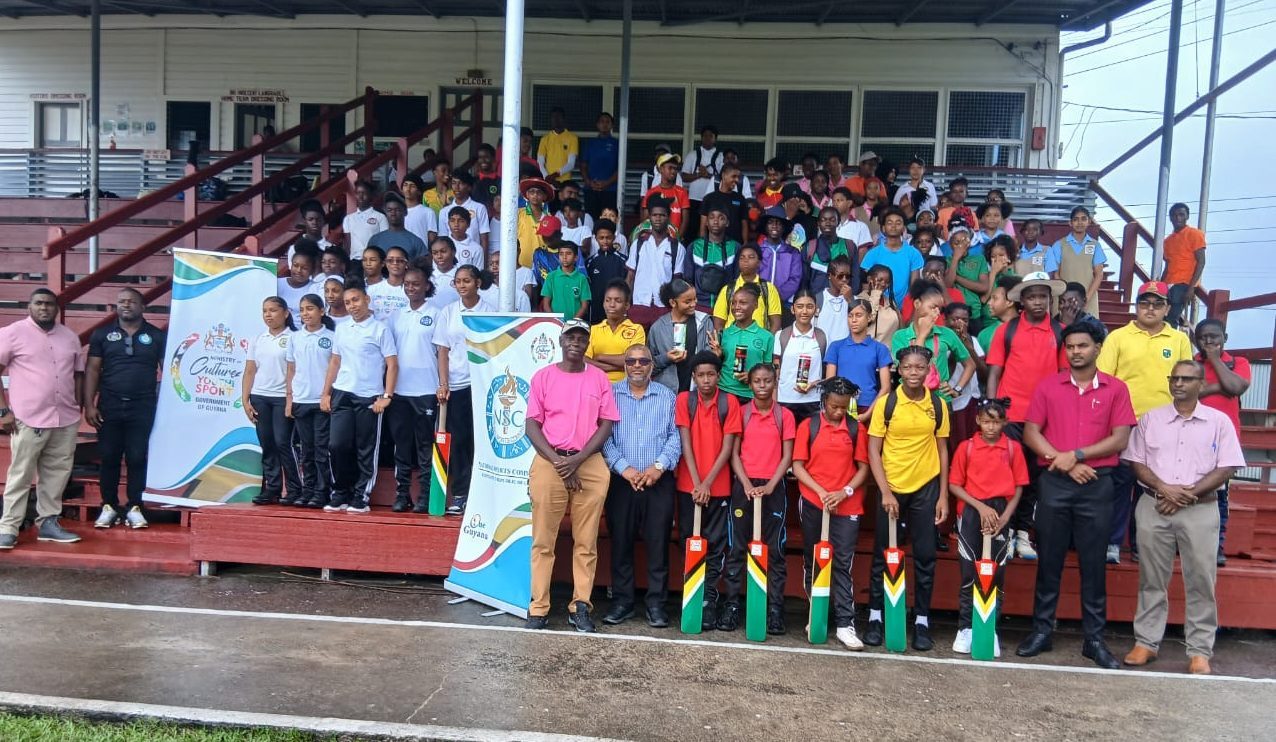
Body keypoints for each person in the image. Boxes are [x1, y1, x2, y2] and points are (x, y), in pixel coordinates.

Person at [1015, 322, 1135, 669]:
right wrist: (1064, 462)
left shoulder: (1115, 389)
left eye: (1083, 346)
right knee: (1049, 559)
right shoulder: (1049, 386)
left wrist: (1078, 456)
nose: (1075, 352)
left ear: (1098, 348)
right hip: (1055, 480)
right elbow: (1031, 433)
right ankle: (1042, 631)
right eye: (1070, 347)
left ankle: (1094, 640)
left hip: (1098, 481)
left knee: (1093, 563)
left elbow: (1120, 439)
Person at [1121, 360, 1243, 675]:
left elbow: (1227, 466)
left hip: (1200, 509)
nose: (1179, 383)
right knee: (1151, 578)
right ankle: (1146, 642)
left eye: (1187, 379)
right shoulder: (1152, 419)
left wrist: (1185, 494)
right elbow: (1137, 462)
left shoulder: (1219, 422)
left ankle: (1200, 651)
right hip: (1154, 504)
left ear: (1201, 384)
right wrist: (1165, 488)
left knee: (1202, 580)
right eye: (1174, 378)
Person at [525, 318, 620, 631]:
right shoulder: (543, 377)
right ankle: (538, 607)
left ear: (586, 343)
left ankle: (580, 605)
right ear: (561, 342)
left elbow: (606, 423)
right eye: (571, 337)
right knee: (543, 539)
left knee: (586, 540)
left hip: (588, 462)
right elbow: (531, 426)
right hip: (549, 460)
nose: (576, 342)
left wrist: (577, 460)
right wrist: (559, 462)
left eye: (582, 338)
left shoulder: (599, 379)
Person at [1098, 281, 1194, 564]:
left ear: (1167, 308)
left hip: (1164, 425)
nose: (1150, 309)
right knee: (1119, 484)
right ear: (1137, 306)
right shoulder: (1118, 337)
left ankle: (1144, 544)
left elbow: (1186, 381)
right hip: (1124, 423)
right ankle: (1113, 543)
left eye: (1157, 304)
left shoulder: (1178, 340)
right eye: (1144, 303)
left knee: (1153, 487)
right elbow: (1105, 379)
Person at [863, 345, 951, 651]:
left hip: (926, 488)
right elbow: (873, 449)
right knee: (884, 556)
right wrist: (885, 491)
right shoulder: (887, 403)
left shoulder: (937, 405)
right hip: (892, 488)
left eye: (920, 367)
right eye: (908, 367)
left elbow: (942, 450)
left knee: (925, 556)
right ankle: (876, 617)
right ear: (898, 370)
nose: (914, 373)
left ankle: (922, 620)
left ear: (929, 370)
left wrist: (943, 496)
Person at [985, 271, 1068, 560]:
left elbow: (1063, 377)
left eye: (1042, 296)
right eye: (1031, 296)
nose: (1037, 302)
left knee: (1034, 478)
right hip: (1010, 417)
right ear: (1021, 300)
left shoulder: (1059, 332)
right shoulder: (1006, 331)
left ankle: (1022, 535)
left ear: (1049, 299)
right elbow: (995, 371)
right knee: (1007, 476)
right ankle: (1004, 534)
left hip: (1044, 420)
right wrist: (993, 410)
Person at [601, 343, 681, 627]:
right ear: (624, 365)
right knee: (620, 542)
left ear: (651, 365)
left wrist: (658, 467)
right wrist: (625, 469)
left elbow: (676, 437)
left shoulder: (667, 396)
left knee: (658, 543)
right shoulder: (610, 395)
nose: (637, 365)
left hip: (657, 481)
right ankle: (622, 601)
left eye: (643, 361)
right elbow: (604, 437)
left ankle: (657, 604)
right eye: (631, 361)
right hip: (622, 481)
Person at [0, 290, 84, 549]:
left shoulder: (69, 336)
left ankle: (48, 522)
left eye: (49, 304)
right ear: (29, 306)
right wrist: (3, 411)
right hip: (28, 417)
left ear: (57, 308)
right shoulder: (12, 333)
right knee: (21, 473)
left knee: (57, 473)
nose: (44, 308)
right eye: (39, 303)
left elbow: (78, 373)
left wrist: (78, 405)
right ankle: (8, 527)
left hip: (65, 417)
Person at [793, 376, 871, 650]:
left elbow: (863, 468)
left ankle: (845, 624)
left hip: (846, 505)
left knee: (842, 563)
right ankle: (817, 614)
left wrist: (843, 492)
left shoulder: (855, 429)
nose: (839, 412)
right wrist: (821, 491)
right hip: (814, 501)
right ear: (824, 401)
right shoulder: (809, 425)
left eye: (844, 406)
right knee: (813, 560)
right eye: (834, 406)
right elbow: (798, 466)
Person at [948, 397, 1028, 656]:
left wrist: (1006, 518)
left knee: (996, 574)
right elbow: (954, 485)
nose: (991, 427)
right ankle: (966, 628)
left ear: (1004, 422)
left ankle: (989, 628)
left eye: (996, 422)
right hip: (972, 511)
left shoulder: (1013, 448)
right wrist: (980, 508)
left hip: (1001, 513)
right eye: (986, 421)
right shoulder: (966, 448)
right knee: (969, 572)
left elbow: (1018, 488)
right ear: (977, 421)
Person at [674, 351, 744, 630]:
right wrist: (696, 482)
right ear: (693, 377)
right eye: (700, 375)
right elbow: (685, 443)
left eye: (711, 374)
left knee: (715, 547)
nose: (706, 380)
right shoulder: (684, 400)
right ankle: (692, 597)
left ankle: (708, 602)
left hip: (719, 487)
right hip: (688, 487)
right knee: (689, 543)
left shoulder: (729, 401)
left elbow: (728, 448)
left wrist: (707, 483)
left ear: (718, 375)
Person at [84, 288, 165, 529]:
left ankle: (134, 506)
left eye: (131, 301)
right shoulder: (102, 334)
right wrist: (89, 404)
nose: (126, 305)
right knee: (109, 456)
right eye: (121, 302)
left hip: (143, 405)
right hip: (109, 404)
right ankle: (108, 506)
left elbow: (169, 372)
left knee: (137, 457)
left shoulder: (156, 336)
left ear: (143, 307)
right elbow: (92, 370)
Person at [727, 363, 796, 635]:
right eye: (757, 381)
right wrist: (745, 484)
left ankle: (775, 610)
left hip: (773, 487)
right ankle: (733, 606)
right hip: (744, 486)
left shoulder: (785, 415)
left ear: (775, 381)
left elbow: (787, 455)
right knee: (736, 548)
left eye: (767, 381)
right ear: (750, 384)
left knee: (775, 551)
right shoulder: (742, 413)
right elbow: (733, 454)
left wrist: (770, 485)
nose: (763, 386)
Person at [321, 282, 398, 515]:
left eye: (355, 300)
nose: (352, 306)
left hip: (369, 395)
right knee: (337, 445)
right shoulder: (342, 329)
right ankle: (340, 492)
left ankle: (361, 495)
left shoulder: (380, 329)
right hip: (342, 392)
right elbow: (335, 361)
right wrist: (326, 393)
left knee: (366, 448)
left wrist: (387, 396)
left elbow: (392, 364)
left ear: (366, 299)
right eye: (347, 302)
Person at [434, 265, 495, 515]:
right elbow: (443, 351)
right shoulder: (448, 312)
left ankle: (481, 495)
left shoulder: (490, 311)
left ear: (477, 282)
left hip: (482, 385)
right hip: (457, 386)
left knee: (480, 441)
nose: (462, 285)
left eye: (467, 280)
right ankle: (460, 494)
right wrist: (443, 382)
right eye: (458, 281)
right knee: (458, 442)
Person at [1193, 319, 1251, 565]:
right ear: (1196, 340)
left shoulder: (1238, 363)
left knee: (1219, 496)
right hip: (1193, 436)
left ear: (1224, 337)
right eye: (1203, 337)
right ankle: (1187, 542)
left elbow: (1236, 386)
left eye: (1214, 337)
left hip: (1225, 441)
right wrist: (1221, 387)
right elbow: (1189, 391)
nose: (1209, 342)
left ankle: (1216, 546)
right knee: (1190, 489)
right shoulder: (1192, 363)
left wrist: (1215, 361)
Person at [387, 263, 442, 514]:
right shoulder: (395, 316)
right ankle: (402, 495)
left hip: (427, 390)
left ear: (426, 286)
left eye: (416, 283)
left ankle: (425, 496)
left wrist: (443, 384)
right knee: (402, 445)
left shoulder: (437, 313)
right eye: (407, 284)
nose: (411, 288)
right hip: (400, 391)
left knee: (425, 446)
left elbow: (442, 352)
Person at [243, 297, 300, 506]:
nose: (268, 315)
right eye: (265, 311)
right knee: (267, 442)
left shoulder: (294, 337)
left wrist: (290, 398)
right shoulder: (258, 338)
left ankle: (294, 488)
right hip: (260, 397)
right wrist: (245, 399)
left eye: (273, 310)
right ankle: (272, 488)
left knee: (283, 442)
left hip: (282, 398)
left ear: (285, 313)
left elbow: (295, 371)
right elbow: (250, 370)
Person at [284, 293, 335, 510]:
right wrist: (289, 399)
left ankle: (322, 492)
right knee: (306, 449)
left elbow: (336, 368)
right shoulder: (295, 338)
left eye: (311, 309)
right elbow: (291, 369)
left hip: (321, 400)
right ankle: (308, 490)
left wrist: (328, 394)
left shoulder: (332, 337)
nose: (306, 313)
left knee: (321, 448)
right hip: (301, 398)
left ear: (322, 311)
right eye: (302, 309)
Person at [891, 281, 975, 404]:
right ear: (917, 303)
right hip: (910, 401)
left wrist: (957, 389)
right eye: (932, 307)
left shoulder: (947, 333)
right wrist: (922, 335)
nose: (936, 313)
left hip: (940, 400)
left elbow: (970, 365)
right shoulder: (900, 336)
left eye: (939, 309)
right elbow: (913, 364)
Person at [824, 298, 893, 413]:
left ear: (870, 317)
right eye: (850, 316)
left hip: (869, 405)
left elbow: (886, 388)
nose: (854, 320)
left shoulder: (879, 349)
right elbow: (830, 383)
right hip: (840, 407)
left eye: (859, 315)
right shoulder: (836, 346)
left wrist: (868, 413)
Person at [626, 198, 687, 327]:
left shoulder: (677, 247)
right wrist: (626, 304)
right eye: (654, 215)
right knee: (636, 346)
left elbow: (677, 282)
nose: (658, 219)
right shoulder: (638, 244)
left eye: (662, 215)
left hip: (664, 307)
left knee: (663, 346)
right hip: (639, 305)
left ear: (668, 217)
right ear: (649, 217)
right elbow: (630, 277)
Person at [648, 278, 712, 394]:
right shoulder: (658, 328)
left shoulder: (704, 321)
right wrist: (666, 358)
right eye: (687, 302)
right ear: (673, 303)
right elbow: (648, 366)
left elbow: (710, 358)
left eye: (695, 299)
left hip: (697, 392)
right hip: (667, 393)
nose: (693, 304)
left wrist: (716, 353)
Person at [715, 283, 774, 403]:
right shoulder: (723, 334)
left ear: (755, 305)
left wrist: (753, 376)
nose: (736, 306)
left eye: (743, 303)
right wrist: (717, 355)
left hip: (752, 395)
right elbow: (717, 366)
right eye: (733, 302)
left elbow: (769, 369)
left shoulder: (766, 336)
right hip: (724, 392)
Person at [775, 290, 827, 423]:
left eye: (809, 307)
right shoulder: (781, 336)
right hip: (785, 398)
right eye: (799, 306)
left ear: (816, 310)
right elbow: (775, 371)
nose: (804, 311)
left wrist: (814, 385)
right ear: (792, 309)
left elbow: (827, 372)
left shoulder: (823, 337)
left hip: (813, 400)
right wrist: (774, 401)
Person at [1046, 206, 1107, 316]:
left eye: (1083, 219)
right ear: (1070, 223)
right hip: (1064, 299)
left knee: (1088, 330)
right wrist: (1067, 297)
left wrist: (1085, 298)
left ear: (1089, 221)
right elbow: (1055, 274)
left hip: (1088, 299)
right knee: (1062, 330)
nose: (1080, 222)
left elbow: (1099, 275)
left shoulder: (1095, 245)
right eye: (1076, 219)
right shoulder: (1059, 245)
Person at [711, 244, 782, 333]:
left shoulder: (768, 288)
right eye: (742, 258)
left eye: (751, 257)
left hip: (758, 343)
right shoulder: (728, 289)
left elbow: (776, 323)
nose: (745, 260)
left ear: (759, 262)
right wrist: (724, 340)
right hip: (732, 342)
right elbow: (719, 321)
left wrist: (765, 341)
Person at [861, 207, 922, 308]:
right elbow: (865, 286)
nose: (894, 226)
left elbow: (914, 285)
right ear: (883, 228)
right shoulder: (872, 254)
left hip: (904, 307)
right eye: (889, 223)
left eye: (898, 223)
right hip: (878, 306)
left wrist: (909, 308)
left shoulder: (913, 253)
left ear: (903, 228)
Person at [586, 280, 645, 383]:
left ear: (627, 305)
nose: (611, 305)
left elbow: (634, 359)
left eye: (617, 301)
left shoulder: (636, 329)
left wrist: (599, 356)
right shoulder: (594, 329)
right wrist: (617, 367)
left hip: (626, 388)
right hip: (597, 385)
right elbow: (585, 361)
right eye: (608, 300)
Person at [1161, 202, 1207, 328]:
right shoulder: (1167, 241)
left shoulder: (1195, 234)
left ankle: (1170, 346)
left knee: (1171, 318)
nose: (1178, 218)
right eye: (1174, 215)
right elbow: (1168, 265)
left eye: (1181, 215)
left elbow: (1201, 261)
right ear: (1170, 218)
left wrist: (1191, 288)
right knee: (1160, 316)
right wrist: (1160, 284)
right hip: (1168, 283)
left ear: (1187, 216)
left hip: (1183, 284)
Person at [688, 205, 740, 310]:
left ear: (727, 223)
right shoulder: (694, 246)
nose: (716, 221)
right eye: (712, 217)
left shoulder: (735, 247)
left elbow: (738, 279)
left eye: (721, 218)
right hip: (699, 305)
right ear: (706, 222)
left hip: (725, 306)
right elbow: (688, 279)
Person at [756, 208, 805, 306]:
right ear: (766, 227)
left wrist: (778, 295)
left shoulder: (793, 253)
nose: (774, 225)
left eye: (778, 223)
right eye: (770, 222)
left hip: (783, 302)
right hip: (758, 301)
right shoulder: (757, 250)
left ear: (783, 228)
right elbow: (752, 275)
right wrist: (760, 295)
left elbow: (795, 278)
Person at [806, 207, 856, 298]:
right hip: (816, 300)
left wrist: (851, 300)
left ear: (838, 222)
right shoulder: (810, 247)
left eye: (832, 220)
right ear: (818, 223)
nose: (828, 223)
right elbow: (804, 279)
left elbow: (855, 276)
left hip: (843, 299)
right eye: (823, 220)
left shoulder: (849, 246)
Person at [585, 219, 628, 325]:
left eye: (608, 238)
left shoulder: (624, 261)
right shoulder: (590, 262)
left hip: (617, 311)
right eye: (601, 238)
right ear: (595, 239)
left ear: (614, 237)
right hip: (596, 312)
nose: (605, 241)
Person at [682, 125, 723, 230]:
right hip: (693, 198)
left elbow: (723, 178)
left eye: (711, 136)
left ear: (715, 139)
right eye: (705, 136)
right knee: (692, 228)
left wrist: (707, 175)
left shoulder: (720, 156)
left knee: (711, 228)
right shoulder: (692, 155)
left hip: (713, 199)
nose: (707, 138)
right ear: (701, 138)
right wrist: (699, 175)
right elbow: (684, 176)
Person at [641, 153, 692, 236]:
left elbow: (685, 220)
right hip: (655, 239)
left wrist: (678, 239)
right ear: (661, 169)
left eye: (675, 169)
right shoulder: (651, 192)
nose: (673, 171)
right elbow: (646, 219)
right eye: (670, 168)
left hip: (675, 240)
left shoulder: (682, 192)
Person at [368, 193, 428, 262]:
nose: (393, 213)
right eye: (389, 210)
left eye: (397, 210)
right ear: (385, 212)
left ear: (405, 212)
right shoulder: (375, 240)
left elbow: (424, 267)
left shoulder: (415, 241)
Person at [580, 112, 619, 218]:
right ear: (597, 125)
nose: (604, 124)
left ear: (612, 125)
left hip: (610, 190)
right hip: (591, 189)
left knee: (609, 220)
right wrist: (588, 182)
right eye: (602, 122)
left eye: (607, 122)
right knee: (591, 219)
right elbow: (583, 165)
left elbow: (620, 169)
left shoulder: (617, 144)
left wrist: (606, 183)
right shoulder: (590, 143)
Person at [540, 242, 591, 321]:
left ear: (576, 257)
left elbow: (584, 306)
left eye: (568, 254)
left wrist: (573, 322)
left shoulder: (582, 278)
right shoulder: (551, 277)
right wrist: (556, 321)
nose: (564, 257)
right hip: (555, 325)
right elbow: (546, 304)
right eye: (561, 254)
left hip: (574, 325)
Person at [446, 171, 492, 253]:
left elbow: (484, 238)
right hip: (451, 259)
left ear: (469, 187)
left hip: (474, 256)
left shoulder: (479, 208)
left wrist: (483, 264)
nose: (456, 187)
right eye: (454, 183)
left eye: (461, 183)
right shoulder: (444, 211)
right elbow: (443, 238)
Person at [813, 255, 855, 345]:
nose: (844, 280)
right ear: (829, 276)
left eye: (848, 276)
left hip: (845, 352)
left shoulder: (855, 300)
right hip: (823, 352)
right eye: (840, 276)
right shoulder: (818, 299)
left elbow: (859, 324)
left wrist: (850, 300)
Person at [342, 179, 388, 259]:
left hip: (374, 259)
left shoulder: (380, 217)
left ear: (371, 195)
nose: (360, 196)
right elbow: (347, 244)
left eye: (364, 193)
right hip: (355, 260)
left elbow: (384, 241)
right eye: (358, 193)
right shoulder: (348, 219)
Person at [277, 244, 319, 328]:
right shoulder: (277, 283)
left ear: (312, 271)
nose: (299, 270)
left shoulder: (315, 288)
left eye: (305, 268)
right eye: (295, 265)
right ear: (290, 265)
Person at [516, 177, 555, 268]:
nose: (535, 195)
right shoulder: (518, 214)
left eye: (539, 192)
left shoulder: (550, 219)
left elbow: (552, 247)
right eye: (532, 192)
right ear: (527, 195)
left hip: (543, 268)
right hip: (521, 267)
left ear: (544, 196)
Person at [857, 266, 901, 345]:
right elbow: (869, 319)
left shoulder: (890, 301)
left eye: (887, 282)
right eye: (880, 280)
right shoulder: (860, 299)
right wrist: (875, 293)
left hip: (889, 353)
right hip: (870, 351)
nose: (884, 284)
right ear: (869, 279)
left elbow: (900, 328)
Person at [537, 107, 579, 185]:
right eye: (553, 117)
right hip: (548, 182)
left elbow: (571, 163)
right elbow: (540, 162)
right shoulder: (545, 139)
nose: (556, 120)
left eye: (559, 117)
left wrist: (555, 175)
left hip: (565, 182)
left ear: (564, 119)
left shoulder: (572, 138)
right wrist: (547, 177)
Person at [368, 246, 410, 322]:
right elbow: (368, 316)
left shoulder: (412, 290)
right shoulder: (372, 289)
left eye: (400, 260)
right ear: (385, 263)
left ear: (406, 264)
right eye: (390, 260)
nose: (395, 263)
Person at [832, 187, 873, 254]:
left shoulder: (860, 227)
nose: (835, 203)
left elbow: (862, 251)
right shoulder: (827, 225)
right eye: (834, 201)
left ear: (849, 203)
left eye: (839, 200)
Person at [429, 236, 462, 307]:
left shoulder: (462, 275)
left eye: (443, 251)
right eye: (435, 253)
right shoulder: (428, 276)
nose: (439, 256)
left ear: (453, 252)